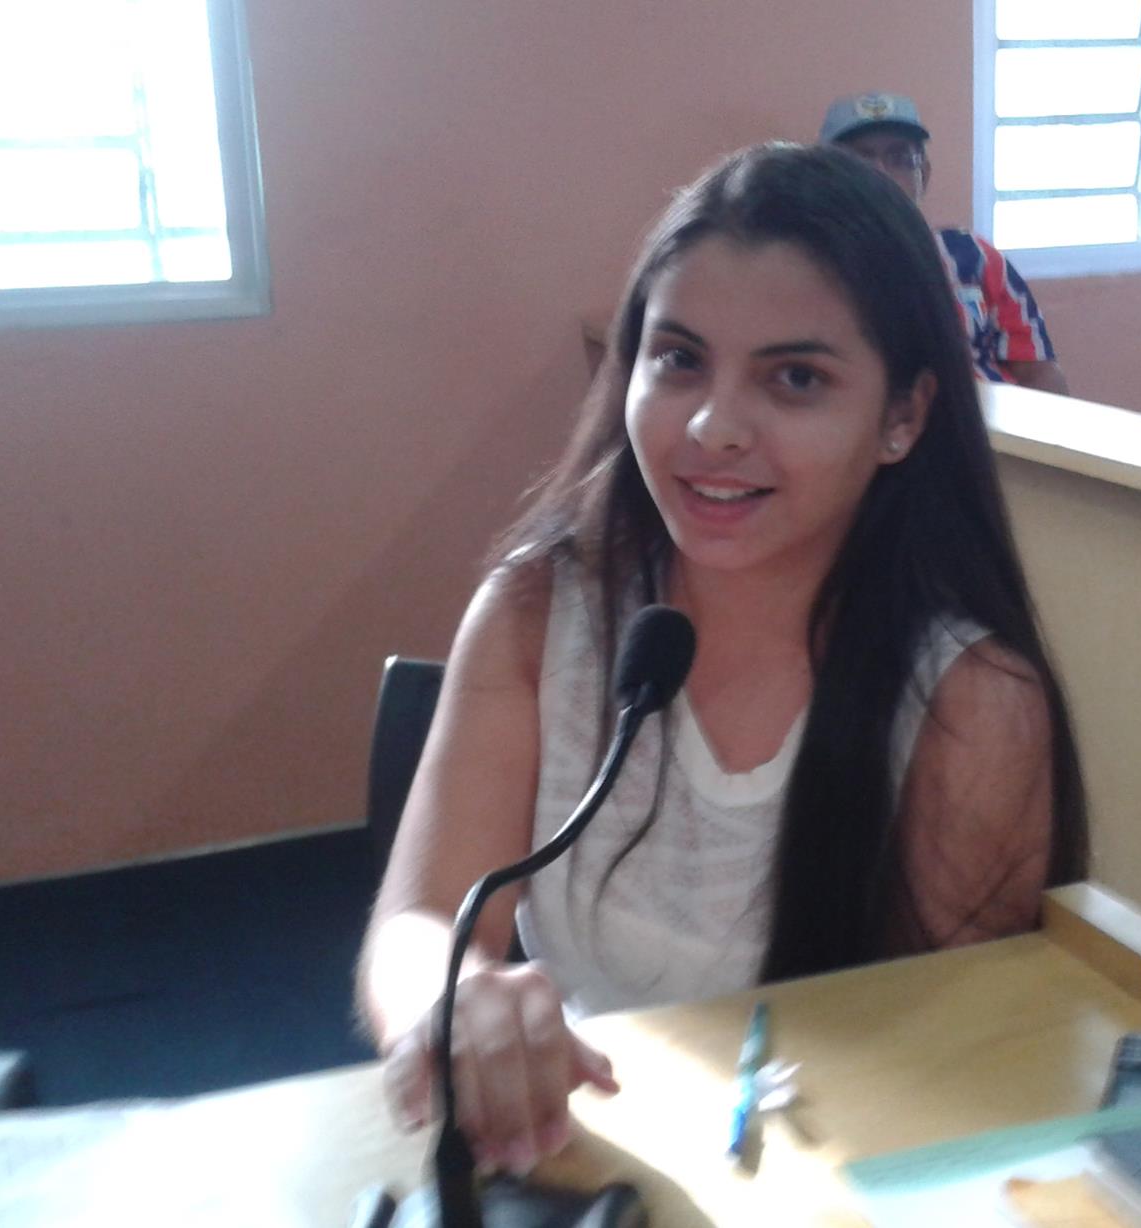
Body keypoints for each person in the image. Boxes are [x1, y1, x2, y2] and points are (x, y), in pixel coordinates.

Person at [357, 143, 1088, 1178]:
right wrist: (451, 998)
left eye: (796, 379)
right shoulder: (535, 612)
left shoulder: (967, 701)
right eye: (679, 360)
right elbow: (417, 922)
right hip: (582, 1154)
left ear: (903, 417)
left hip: (826, 1173)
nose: (711, 427)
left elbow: (945, 1065)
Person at [819, 92, 1071, 395]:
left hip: (987, 420)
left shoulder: (975, 259)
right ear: (827, 178)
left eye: (899, 159)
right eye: (860, 160)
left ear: (923, 175)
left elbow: (1040, 373)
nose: (881, 174)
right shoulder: (809, 269)